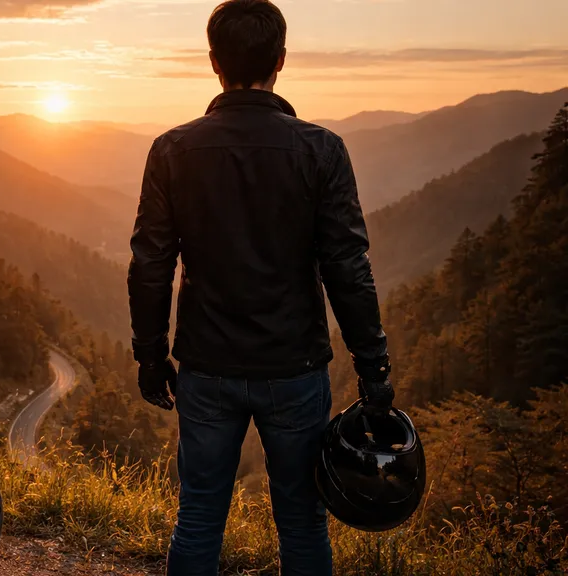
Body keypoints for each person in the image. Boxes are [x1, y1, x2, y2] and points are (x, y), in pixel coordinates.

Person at [126, 1, 395, 575]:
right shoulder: (321, 150)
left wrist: (150, 357)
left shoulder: (172, 150)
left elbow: (151, 263)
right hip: (294, 368)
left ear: (214, 64)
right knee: (302, 519)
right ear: (280, 61)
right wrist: (373, 369)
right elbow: (347, 266)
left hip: (206, 365)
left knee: (198, 515)